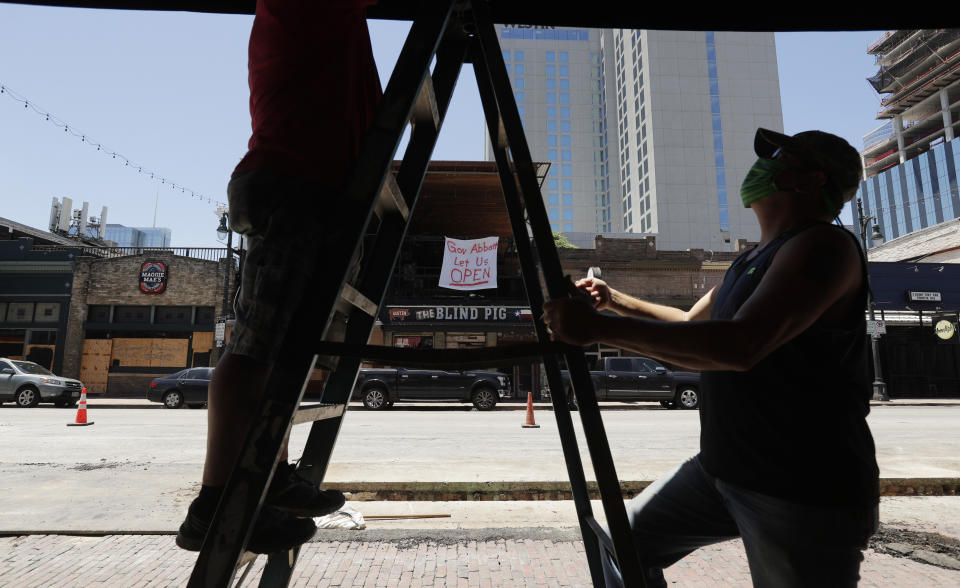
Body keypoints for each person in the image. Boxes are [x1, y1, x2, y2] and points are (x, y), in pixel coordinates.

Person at [543, 128, 880, 587]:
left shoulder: (822, 246)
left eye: (778, 157)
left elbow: (739, 347)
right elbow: (690, 328)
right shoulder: (752, 259)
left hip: (800, 487)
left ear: (808, 181)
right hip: (721, 470)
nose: (762, 165)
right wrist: (614, 300)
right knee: (623, 544)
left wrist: (596, 329)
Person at [176, 0, 383, 554]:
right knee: (255, 350)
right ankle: (213, 505)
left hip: (311, 186)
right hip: (297, 184)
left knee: (281, 353)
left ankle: (270, 473)